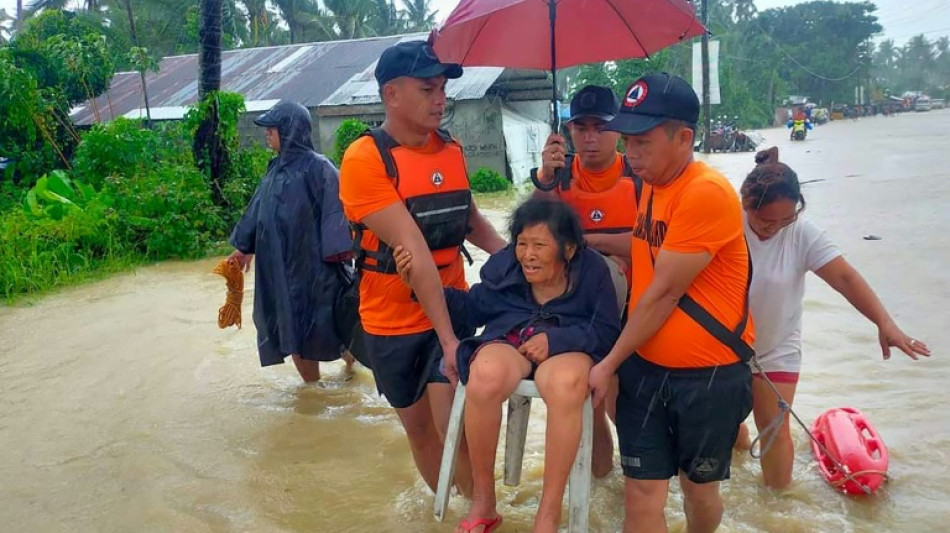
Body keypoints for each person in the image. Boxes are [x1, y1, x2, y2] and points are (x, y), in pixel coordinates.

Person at [338, 40, 507, 496]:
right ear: (391, 94)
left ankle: (478, 510)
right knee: (420, 432)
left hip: (451, 309)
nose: (441, 99)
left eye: (443, 89)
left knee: (460, 428)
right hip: (391, 323)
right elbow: (409, 243)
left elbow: (470, 221)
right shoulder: (364, 159)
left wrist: (521, 263)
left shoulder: (451, 150)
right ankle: (447, 511)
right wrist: (449, 339)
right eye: (428, 89)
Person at [587, 73, 754, 533]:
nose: (630, 154)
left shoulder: (705, 192)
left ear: (684, 137)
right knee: (640, 490)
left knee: (697, 490)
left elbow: (663, 293)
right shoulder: (654, 185)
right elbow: (644, 250)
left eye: (641, 142)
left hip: (708, 379)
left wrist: (607, 363)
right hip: (645, 368)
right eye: (626, 140)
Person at [393, 198, 620, 533]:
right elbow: (472, 309)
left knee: (566, 383)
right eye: (522, 244)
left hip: (569, 345)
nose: (528, 255)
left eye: (540, 245)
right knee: (483, 375)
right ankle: (484, 501)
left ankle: (548, 514)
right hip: (511, 339)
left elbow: (605, 332)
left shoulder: (593, 272)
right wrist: (417, 283)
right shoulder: (506, 269)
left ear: (568, 249)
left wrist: (555, 341)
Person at [733, 147, 931, 489]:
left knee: (775, 429)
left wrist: (885, 323)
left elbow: (845, 278)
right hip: (725, 347)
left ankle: (778, 506)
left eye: (786, 220)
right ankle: (736, 443)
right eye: (766, 221)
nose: (776, 228)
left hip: (777, 347)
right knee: (725, 427)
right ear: (746, 204)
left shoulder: (802, 233)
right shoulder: (724, 222)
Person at [532, 84, 642, 476]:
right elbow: (533, 241)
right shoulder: (557, 179)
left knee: (624, 408)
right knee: (591, 407)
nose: (591, 138)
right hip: (576, 314)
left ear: (619, 130)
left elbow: (658, 241)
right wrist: (545, 176)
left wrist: (589, 241)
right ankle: (601, 486)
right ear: (569, 131)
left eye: (601, 127)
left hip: (635, 311)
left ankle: (639, 481)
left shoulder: (641, 175)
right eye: (581, 128)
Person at [229, 100, 354, 382]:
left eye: (272, 128)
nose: (267, 133)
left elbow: (339, 214)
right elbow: (257, 210)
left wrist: (341, 257)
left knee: (332, 326)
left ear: (290, 130)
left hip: (316, 271)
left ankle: (351, 370)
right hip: (280, 272)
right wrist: (243, 248)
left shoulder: (319, 169)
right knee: (293, 330)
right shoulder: (273, 171)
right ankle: (312, 390)